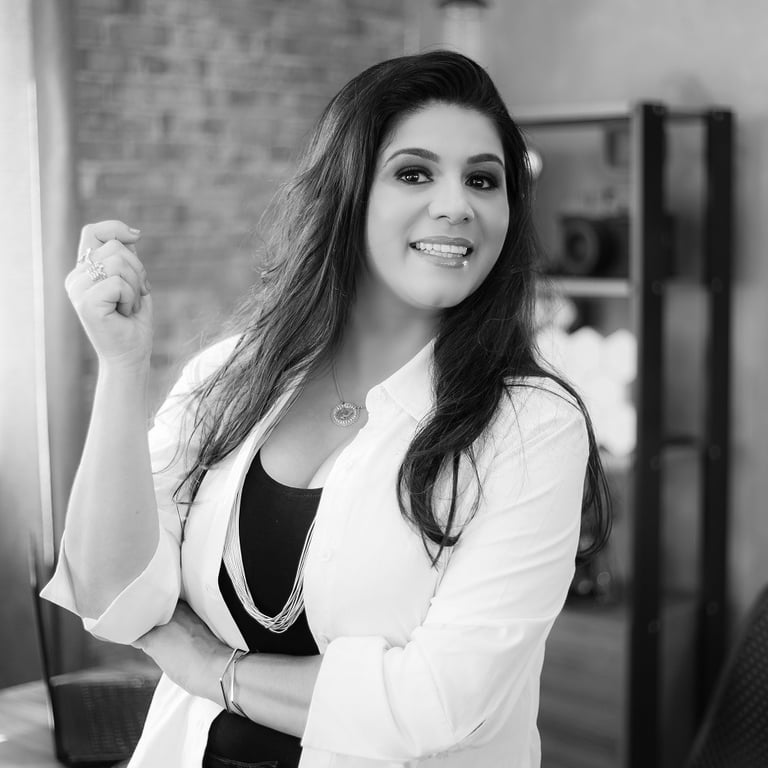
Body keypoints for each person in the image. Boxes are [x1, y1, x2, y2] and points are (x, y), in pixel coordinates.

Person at [42, 50, 610, 768]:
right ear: (347, 192)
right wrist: (122, 367)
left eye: (482, 179)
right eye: (414, 173)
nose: (457, 204)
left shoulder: (532, 426)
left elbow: (434, 704)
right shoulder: (233, 374)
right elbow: (112, 592)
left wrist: (210, 668)